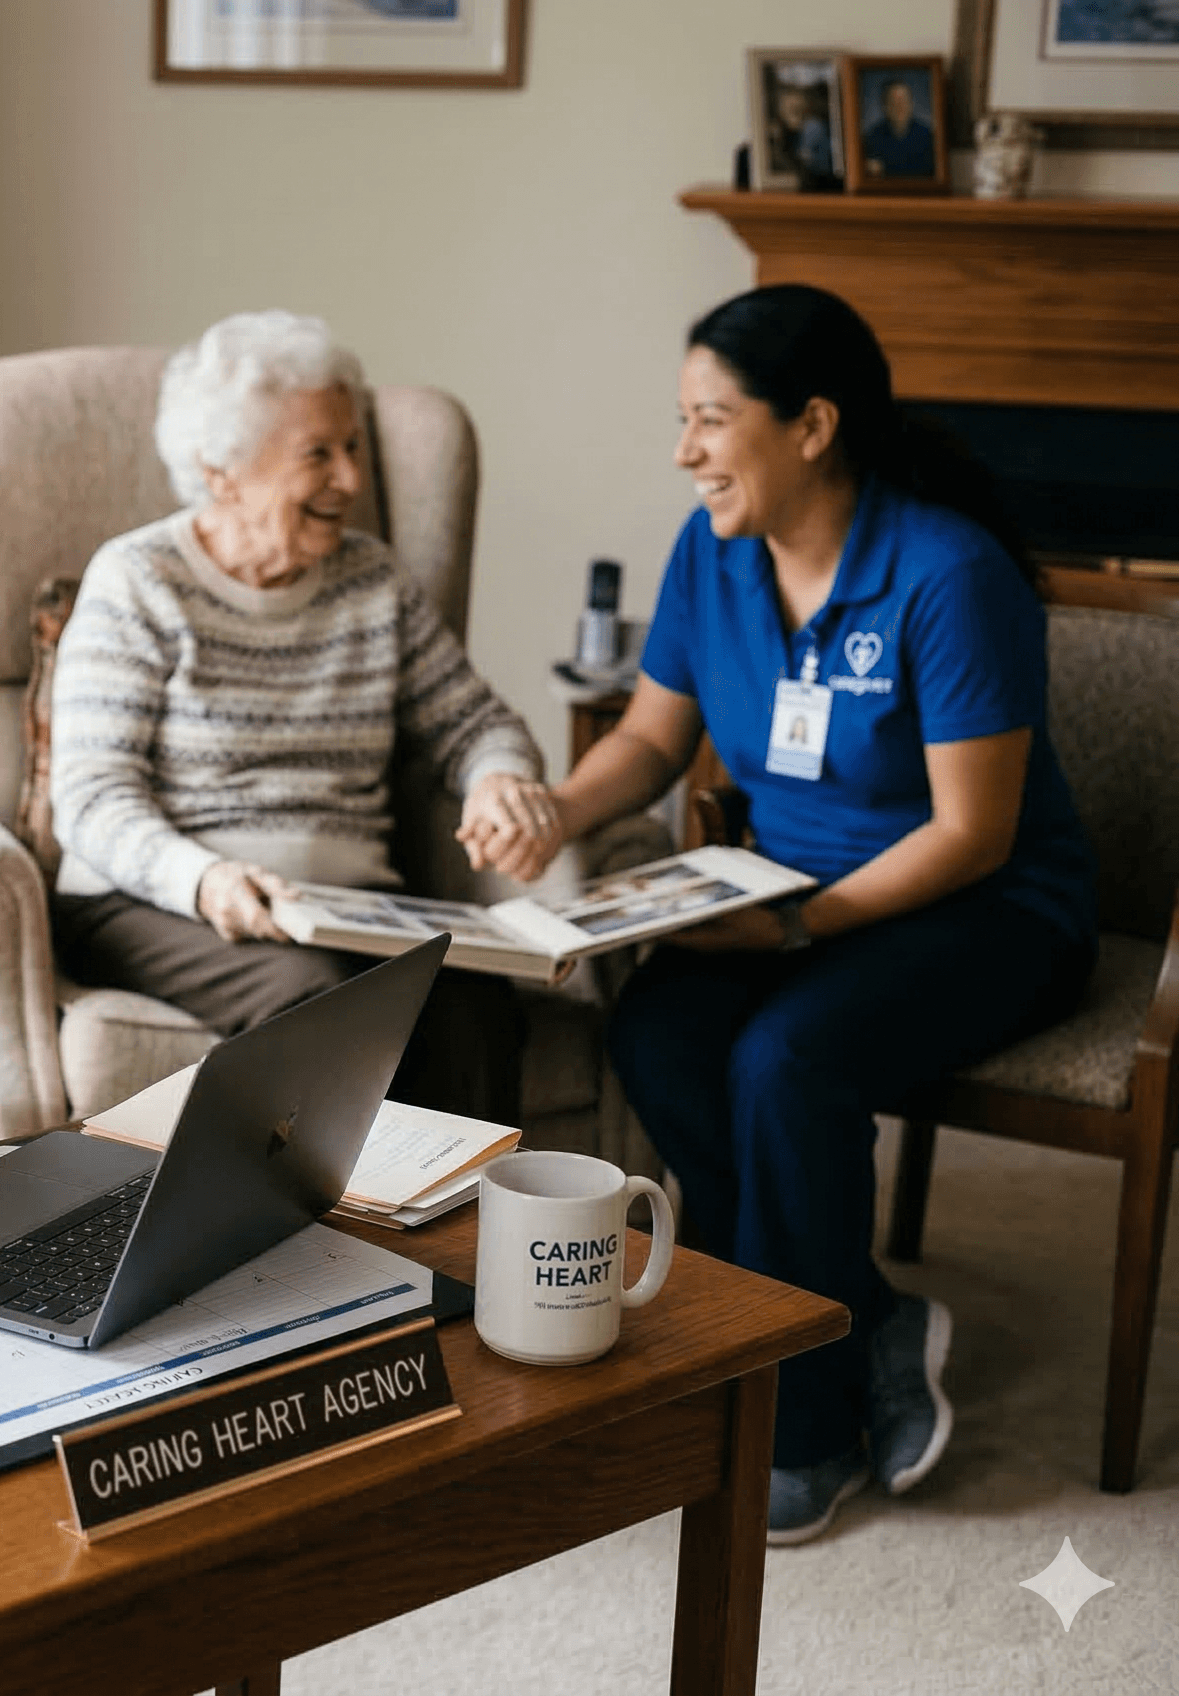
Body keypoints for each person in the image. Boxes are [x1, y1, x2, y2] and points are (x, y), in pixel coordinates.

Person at [468, 284, 1095, 1544]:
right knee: (655, 1032)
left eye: (709, 418)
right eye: (681, 419)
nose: (683, 449)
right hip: (787, 898)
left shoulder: (945, 573)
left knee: (782, 1059)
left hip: (987, 910)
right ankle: (859, 1315)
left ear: (810, 426)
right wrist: (552, 805)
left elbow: (971, 833)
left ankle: (798, 1429)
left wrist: (793, 934)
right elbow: (651, 738)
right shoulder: (710, 552)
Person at [46, 309, 562, 1126]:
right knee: (320, 1003)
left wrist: (500, 779)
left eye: (352, 447)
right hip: (155, 902)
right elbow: (90, 795)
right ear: (223, 471)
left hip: (345, 911)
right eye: (318, 454)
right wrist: (203, 879)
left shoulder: (372, 581)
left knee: (474, 1008)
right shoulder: (139, 580)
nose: (352, 480)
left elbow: (476, 722)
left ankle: (456, 1250)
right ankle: (318, 1251)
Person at [862, 77, 935, 179]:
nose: (900, 106)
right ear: (884, 106)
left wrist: (885, 168)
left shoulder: (928, 136)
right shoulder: (872, 138)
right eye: (893, 102)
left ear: (912, 104)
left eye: (903, 101)